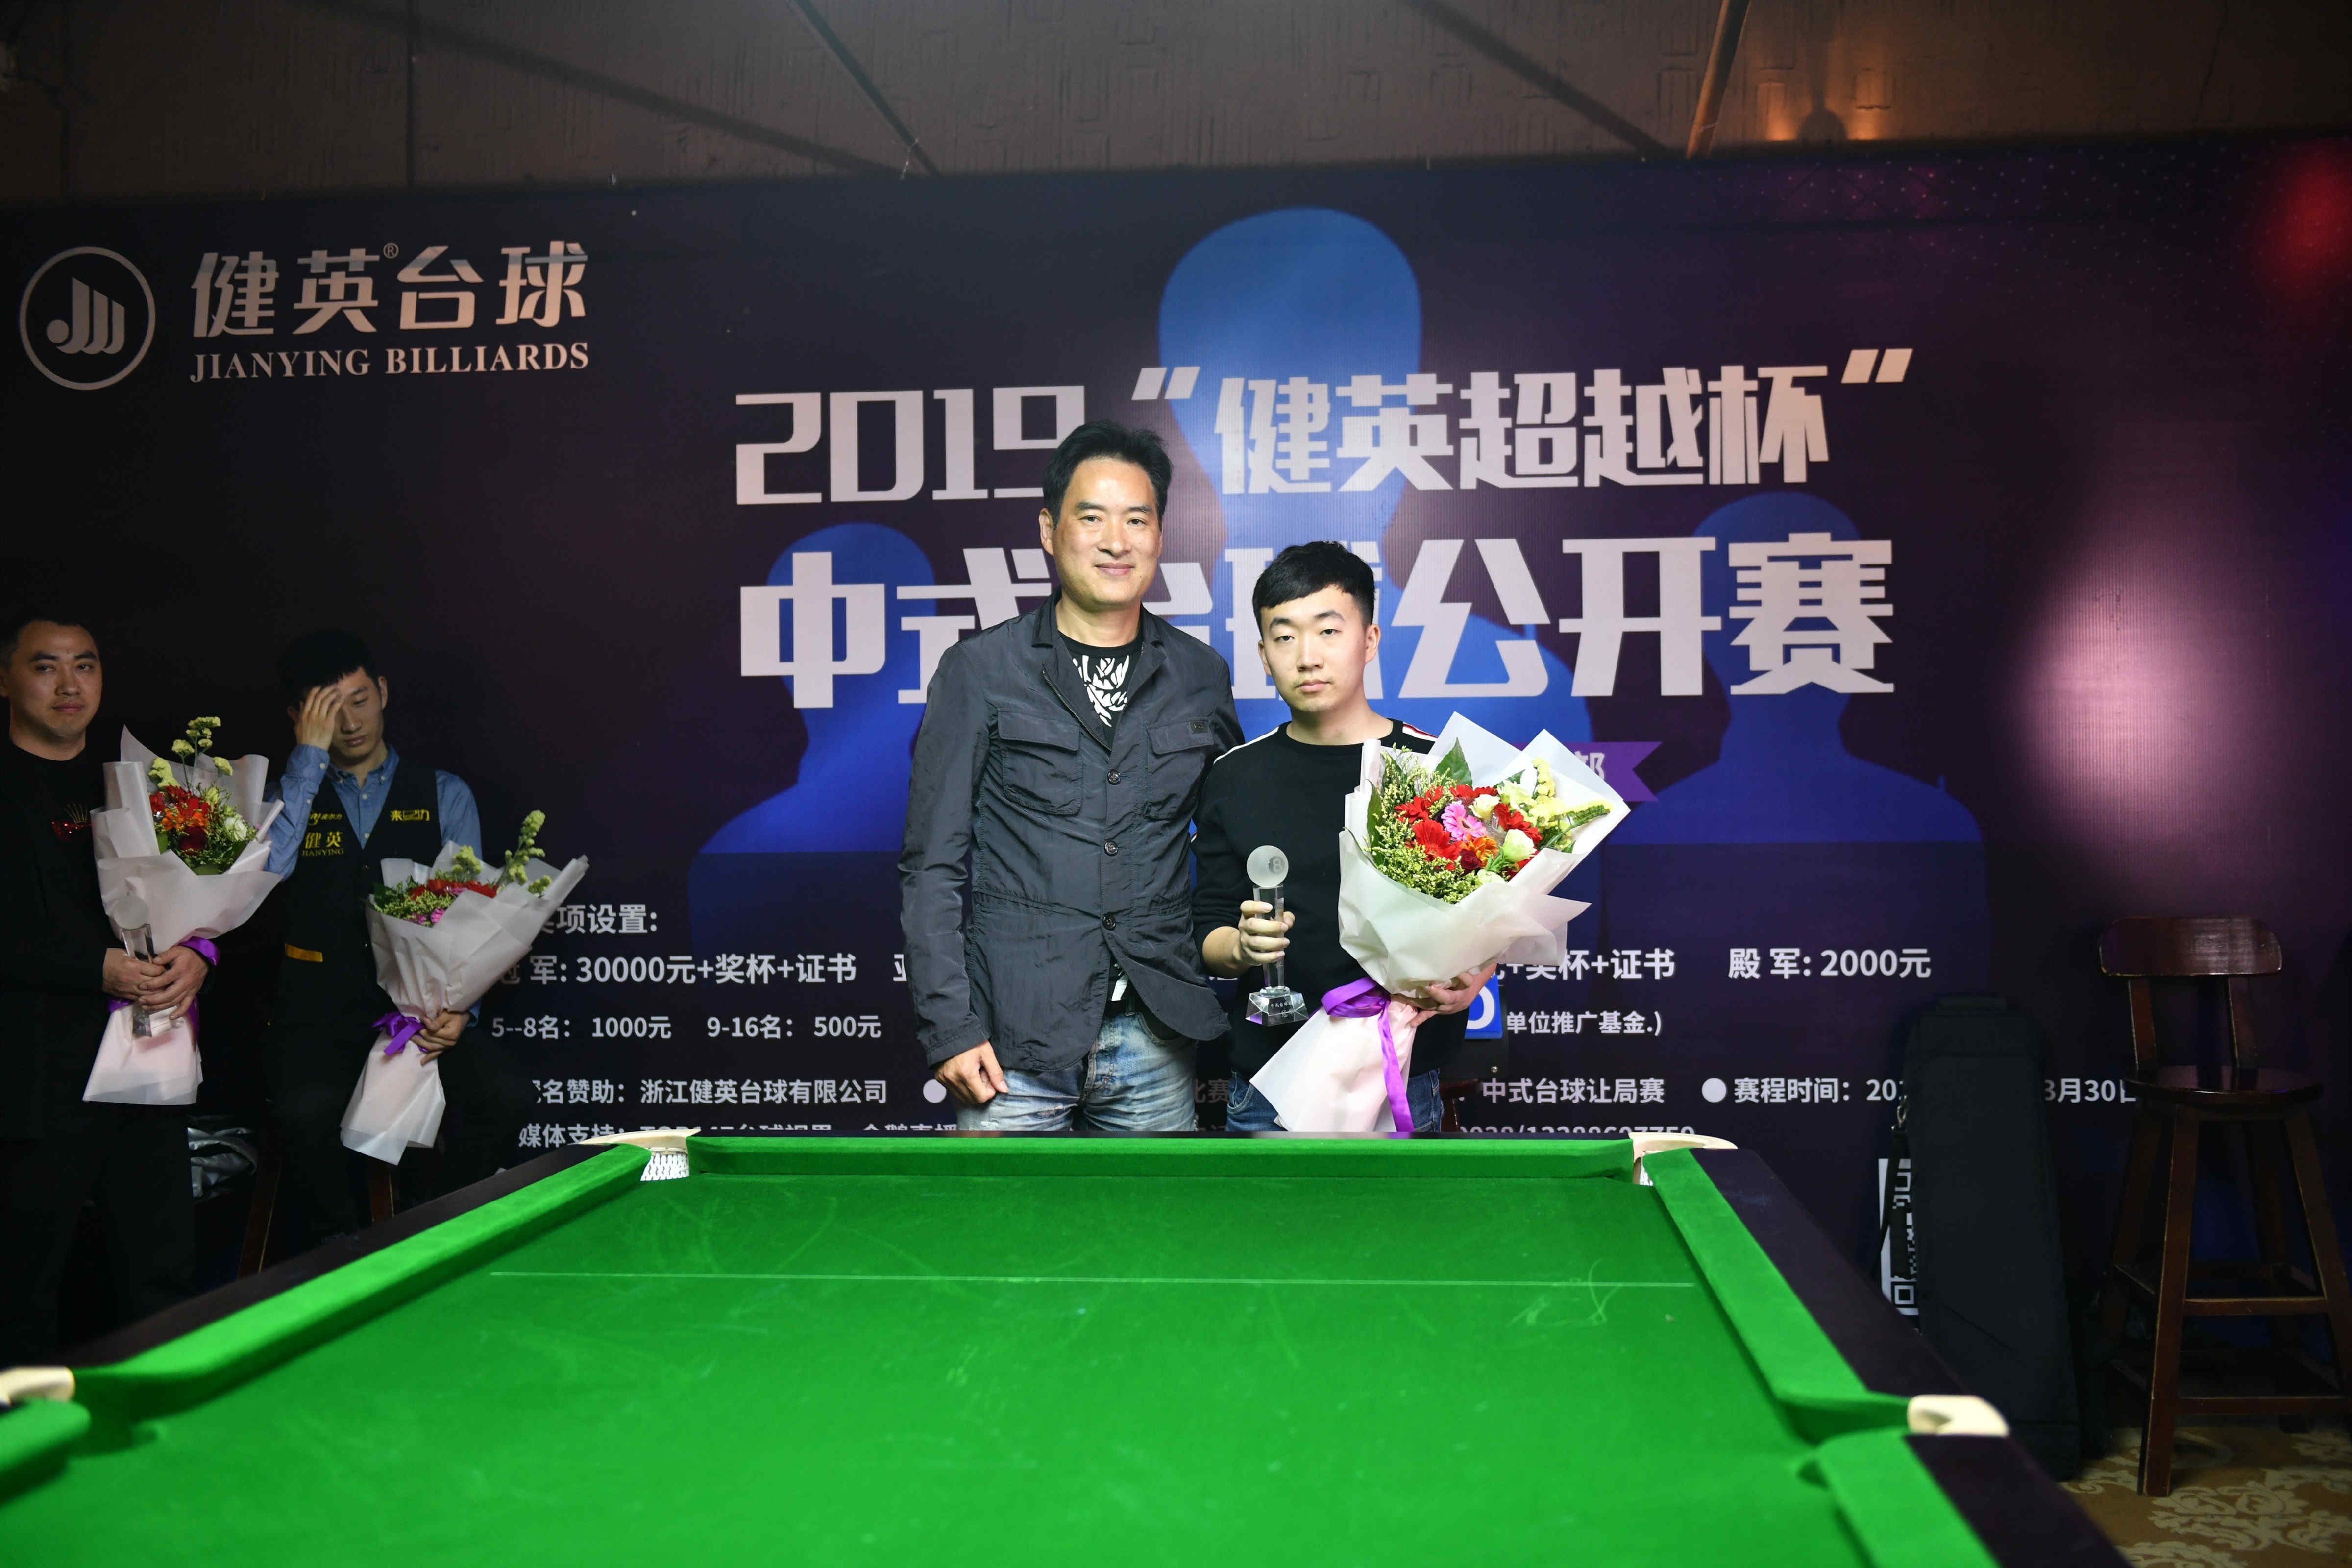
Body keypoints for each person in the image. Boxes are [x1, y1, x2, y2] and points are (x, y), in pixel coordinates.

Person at [901, 421, 1240, 1130]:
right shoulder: (980, 671)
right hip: (1011, 1043)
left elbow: (1232, 841)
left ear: (1160, 534)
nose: (1117, 541)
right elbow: (932, 865)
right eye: (1092, 518)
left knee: (1153, 1212)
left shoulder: (1200, 676)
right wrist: (949, 1027)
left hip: (1155, 1038)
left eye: (1137, 519)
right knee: (1006, 1214)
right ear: (1050, 531)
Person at [1194, 543, 1494, 1131]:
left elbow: (1487, 912)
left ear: (1370, 639)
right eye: (1285, 637)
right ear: (1263, 655)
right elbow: (1206, 926)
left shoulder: (1431, 765)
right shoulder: (1234, 775)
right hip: (1271, 1081)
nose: (1308, 657)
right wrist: (1242, 946)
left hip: (1402, 1075)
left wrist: (1475, 975)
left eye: (1329, 630)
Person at [259, 630, 513, 1247]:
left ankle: (433, 1228)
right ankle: (342, 1250)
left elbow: (474, 918)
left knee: (505, 1100)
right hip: (318, 1019)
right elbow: (265, 875)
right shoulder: (282, 796)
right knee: (303, 1116)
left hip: (422, 1016)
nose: (350, 722)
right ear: (298, 715)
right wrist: (307, 759)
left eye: (360, 699)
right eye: (328, 709)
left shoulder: (444, 792)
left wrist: (462, 1009)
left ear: (383, 692)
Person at [0, 608, 204, 1364]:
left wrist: (203, 953)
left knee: (161, 1271)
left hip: (145, 1056)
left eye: (84, 665)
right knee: (22, 1283)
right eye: (45, 666)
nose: (69, 685)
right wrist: (96, 968)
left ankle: (165, 1415)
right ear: (5, 680)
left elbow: (230, 887)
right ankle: (26, 1428)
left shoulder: (148, 781)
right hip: (33, 1072)